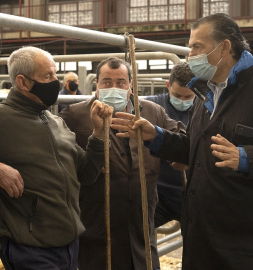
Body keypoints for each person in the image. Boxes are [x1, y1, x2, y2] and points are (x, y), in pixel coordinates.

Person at [110, 13, 253, 270]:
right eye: (191, 47)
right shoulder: (205, 93)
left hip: (248, 240)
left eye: (198, 46)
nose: (191, 54)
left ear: (225, 47)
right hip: (204, 234)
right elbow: (196, 148)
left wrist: (245, 158)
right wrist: (156, 136)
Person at [0, 46, 113, 270]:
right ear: (23, 82)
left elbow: (87, 173)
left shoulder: (55, 121)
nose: (55, 82)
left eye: (55, 75)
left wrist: (98, 134)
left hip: (69, 243)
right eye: (47, 76)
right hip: (30, 248)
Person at [59, 57, 185, 270]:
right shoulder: (75, 115)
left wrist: (178, 156)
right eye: (107, 82)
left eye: (121, 82)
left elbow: (180, 139)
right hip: (97, 223)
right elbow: (59, 154)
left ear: (130, 85)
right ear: (96, 85)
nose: (114, 87)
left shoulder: (153, 111)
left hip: (141, 222)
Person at [144, 62, 195, 227]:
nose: (182, 101)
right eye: (177, 95)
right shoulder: (152, 108)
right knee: (141, 232)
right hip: (160, 195)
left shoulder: (203, 110)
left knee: (195, 245)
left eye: (188, 97)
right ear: (168, 85)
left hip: (192, 194)